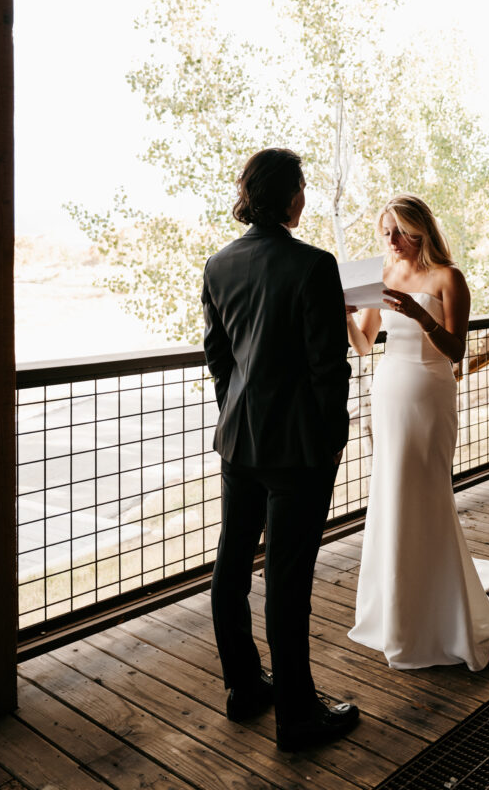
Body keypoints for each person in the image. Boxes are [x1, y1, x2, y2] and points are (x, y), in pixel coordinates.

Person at [202, 147, 360, 751]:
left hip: (239, 442)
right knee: (288, 579)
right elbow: (328, 367)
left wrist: (237, 413)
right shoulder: (313, 265)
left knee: (232, 565)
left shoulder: (219, 264)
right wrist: (332, 437)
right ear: (289, 195)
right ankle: (297, 717)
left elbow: (218, 358)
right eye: (302, 186)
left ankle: (244, 688)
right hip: (298, 450)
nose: (304, 197)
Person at [345, 194, 489, 671]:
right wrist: (345, 313)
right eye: (386, 232)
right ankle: (396, 609)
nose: (392, 241)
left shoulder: (449, 277)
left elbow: (456, 350)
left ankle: (440, 612)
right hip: (389, 390)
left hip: (430, 389)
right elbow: (363, 345)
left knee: (425, 489)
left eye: (401, 232)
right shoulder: (382, 275)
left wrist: (422, 316)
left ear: (421, 231)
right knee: (391, 491)